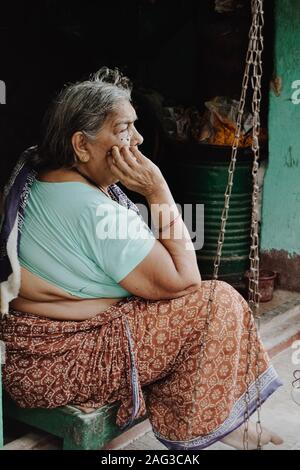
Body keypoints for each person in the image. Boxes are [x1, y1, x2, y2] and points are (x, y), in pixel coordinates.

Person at [0, 67, 283, 450]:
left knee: (168, 305)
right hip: (60, 362)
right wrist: (157, 189)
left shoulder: (42, 174)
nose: (139, 139)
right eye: (123, 129)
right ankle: (208, 423)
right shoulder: (94, 210)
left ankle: (219, 417)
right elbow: (184, 281)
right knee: (216, 301)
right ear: (82, 146)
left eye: (135, 126)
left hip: (33, 355)